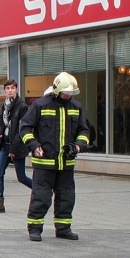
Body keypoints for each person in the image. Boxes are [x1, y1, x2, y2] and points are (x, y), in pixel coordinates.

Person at [19, 71, 90, 242]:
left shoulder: (76, 107)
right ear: (57, 89)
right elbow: (25, 127)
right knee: (41, 197)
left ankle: (63, 228)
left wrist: (79, 145)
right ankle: (35, 229)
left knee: (67, 197)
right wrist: (34, 145)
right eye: (66, 92)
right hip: (45, 162)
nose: (69, 95)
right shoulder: (40, 105)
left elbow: (84, 131)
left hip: (66, 162)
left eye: (72, 93)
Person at [0, 79, 32, 213]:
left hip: (17, 145)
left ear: (16, 89)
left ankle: (41, 192)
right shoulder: (4, 105)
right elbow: (2, 123)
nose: (10, 90)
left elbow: (21, 130)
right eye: (8, 88)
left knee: (21, 177)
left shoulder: (22, 106)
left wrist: (14, 149)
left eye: (12, 88)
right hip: (5, 143)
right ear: (4, 90)